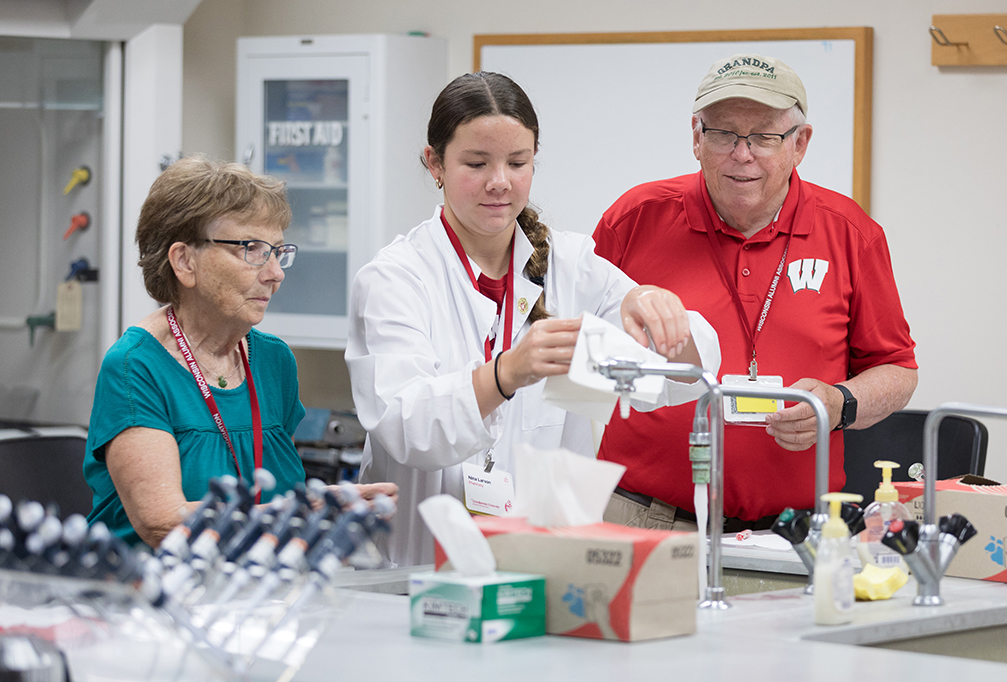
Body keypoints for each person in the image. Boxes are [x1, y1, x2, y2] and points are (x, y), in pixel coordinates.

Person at [346, 72, 721, 567]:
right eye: (476, 163)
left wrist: (659, 313)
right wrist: (505, 374)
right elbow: (405, 427)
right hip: (416, 566)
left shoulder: (568, 264)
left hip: (539, 560)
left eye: (518, 163)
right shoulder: (395, 279)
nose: (500, 181)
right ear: (434, 163)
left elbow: (678, 378)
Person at [594, 54, 918, 532]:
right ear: (696, 138)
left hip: (794, 533)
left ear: (799, 144)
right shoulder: (635, 218)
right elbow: (575, 341)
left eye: (764, 137)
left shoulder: (851, 233)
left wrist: (838, 403)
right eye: (723, 133)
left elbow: (897, 369)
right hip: (643, 517)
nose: (741, 154)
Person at [83, 155, 396, 548]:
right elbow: (162, 523)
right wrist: (298, 513)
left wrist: (318, 507)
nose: (275, 273)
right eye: (251, 249)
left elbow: (273, 500)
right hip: (153, 595)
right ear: (184, 261)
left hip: (257, 590)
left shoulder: (273, 361)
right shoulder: (135, 367)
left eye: (278, 251)